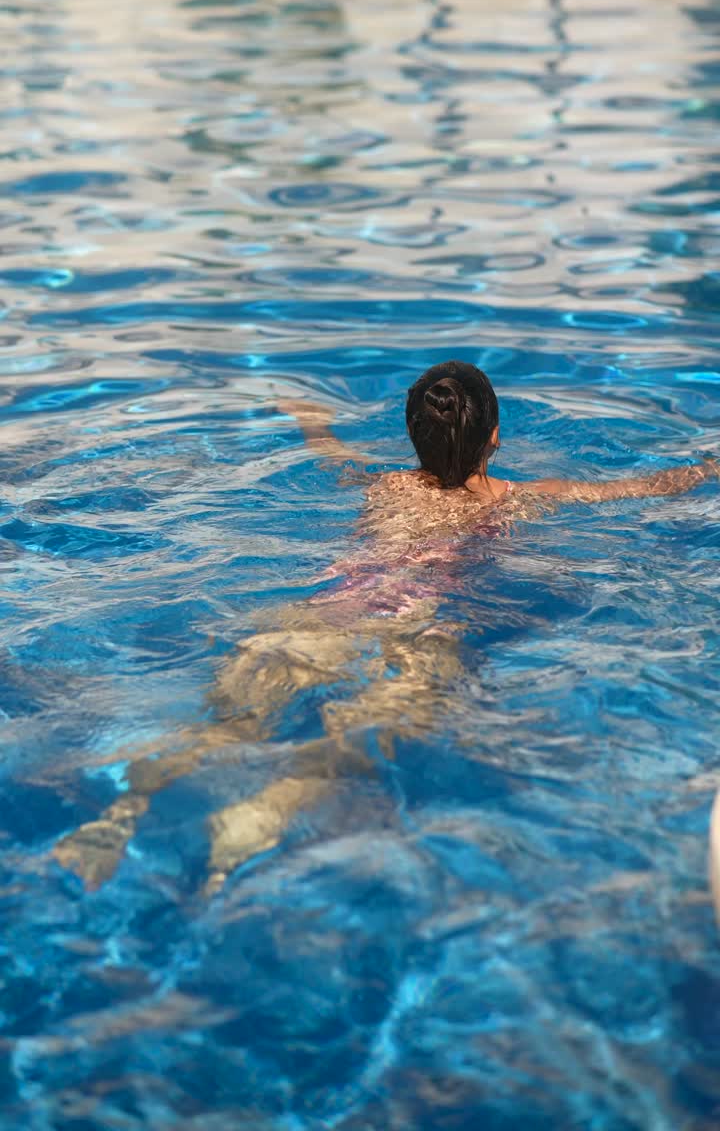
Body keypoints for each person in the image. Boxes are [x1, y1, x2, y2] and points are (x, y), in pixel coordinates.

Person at [53, 361, 719, 891]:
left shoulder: (382, 486)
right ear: (496, 437)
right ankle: (235, 849)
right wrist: (708, 468)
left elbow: (330, 455)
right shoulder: (524, 498)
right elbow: (641, 490)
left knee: (220, 727)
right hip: (413, 635)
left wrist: (310, 418)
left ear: (410, 434)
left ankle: (118, 816)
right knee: (335, 753)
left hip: (316, 616)